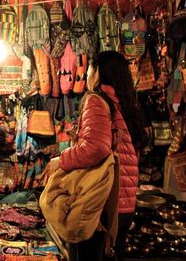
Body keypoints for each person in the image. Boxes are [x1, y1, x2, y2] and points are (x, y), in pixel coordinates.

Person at [49, 51, 145, 261]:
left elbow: (96, 147)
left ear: (99, 72)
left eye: (90, 69)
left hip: (99, 203)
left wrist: (62, 159)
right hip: (122, 205)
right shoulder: (126, 105)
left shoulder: (97, 100)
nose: (87, 75)